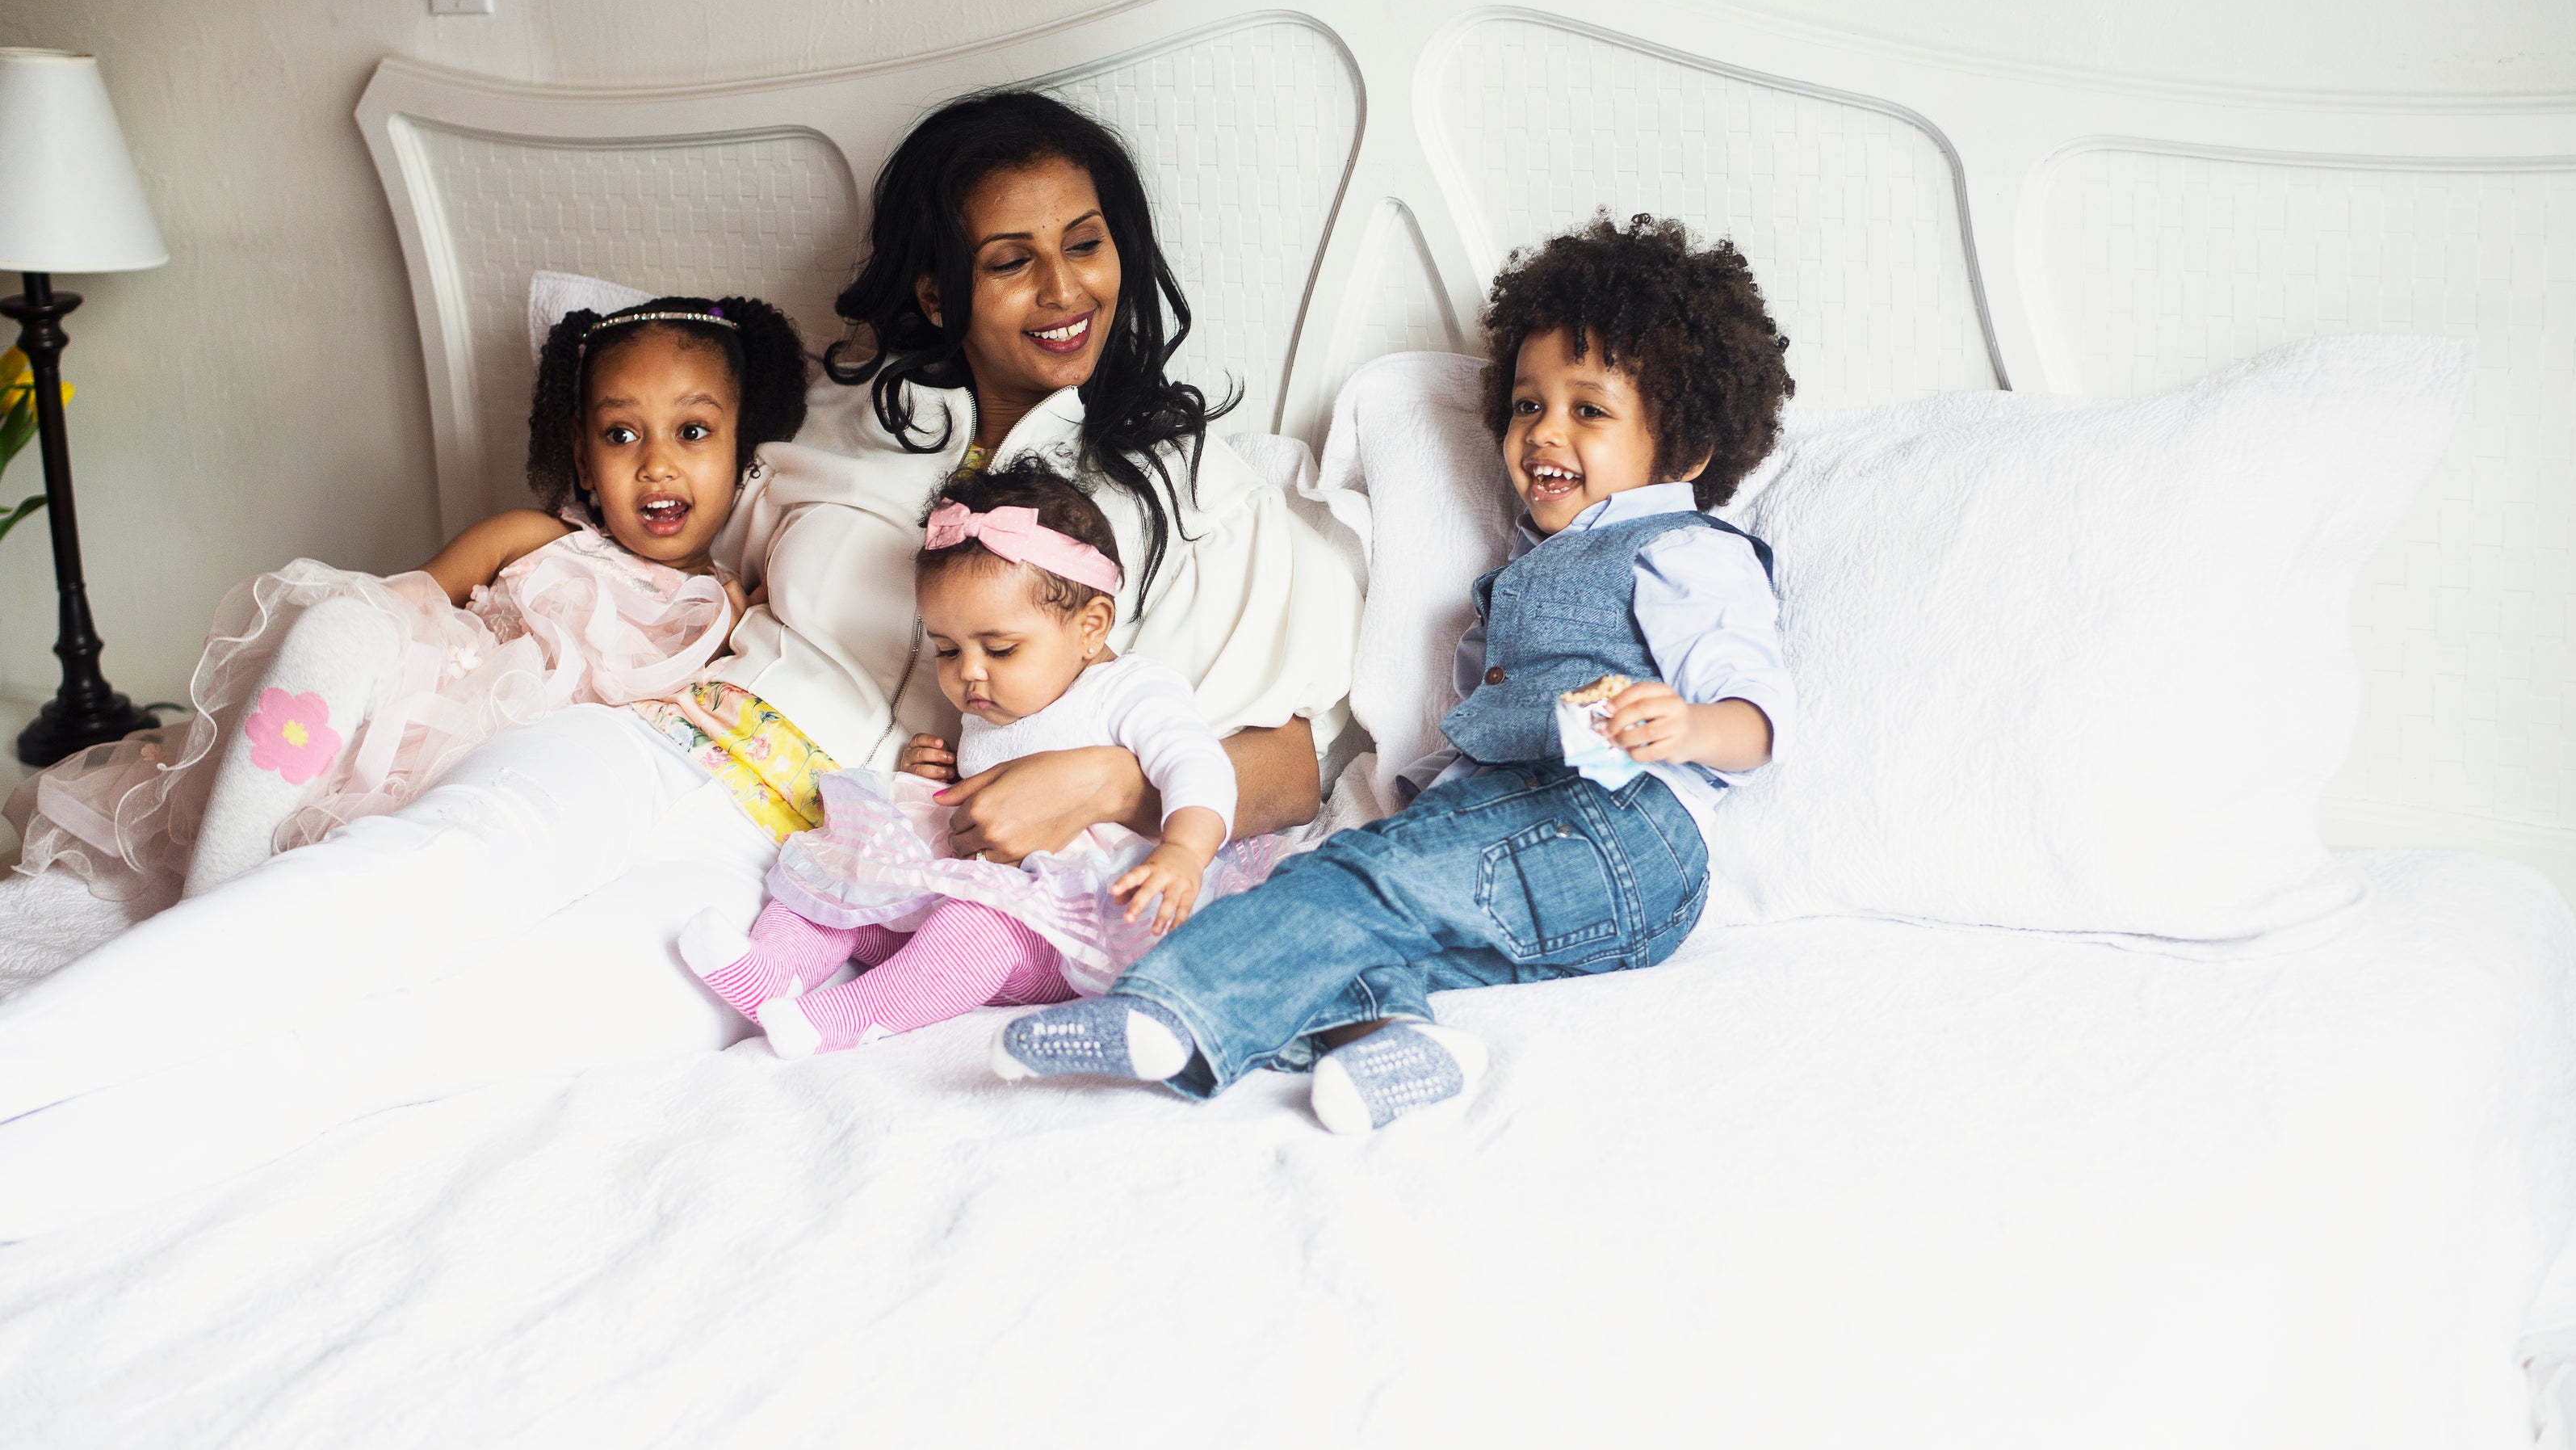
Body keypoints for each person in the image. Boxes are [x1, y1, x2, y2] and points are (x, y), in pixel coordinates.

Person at [0, 90, 1358, 1237]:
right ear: (940, 285)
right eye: (1012, 260)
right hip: (664, 743)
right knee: (390, 893)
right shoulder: (840, 425)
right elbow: (663, 525)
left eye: (1087, 244)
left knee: (420, 1042)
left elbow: (1303, 761)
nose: (1064, 291)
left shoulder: (1193, 489)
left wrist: (1103, 777)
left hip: (804, 882)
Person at [994, 212, 1798, 1133]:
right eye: (1527, 404)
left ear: (1686, 449)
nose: (1541, 432)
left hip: (1614, 822)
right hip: (1572, 880)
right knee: (1371, 911)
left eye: (1588, 409)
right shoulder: (1529, 557)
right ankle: (1396, 1039)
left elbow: (1759, 709)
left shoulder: (1683, 548)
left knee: (1349, 881)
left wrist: (1694, 727)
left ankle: (1166, 1010)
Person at [6, 294, 805, 906]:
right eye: (621, 434)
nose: (657, 462)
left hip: (513, 782)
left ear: (741, 451)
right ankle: (214, 900)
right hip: (395, 726)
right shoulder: (532, 534)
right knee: (345, 621)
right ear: (583, 460)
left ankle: (270, 905)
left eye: (693, 432)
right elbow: (408, 601)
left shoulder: (727, 608)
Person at [682, 460, 1279, 1057]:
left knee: (971, 931)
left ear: (1091, 628)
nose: (968, 671)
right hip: (982, 887)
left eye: (1000, 647)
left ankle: (845, 1016)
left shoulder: (1129, 691)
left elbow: (1199, 766)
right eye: (946, 648)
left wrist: (1184, 851)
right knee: (847, 873)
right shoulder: (992, 702)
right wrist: (936, 777)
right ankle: (771, 971)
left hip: (1070, 931)